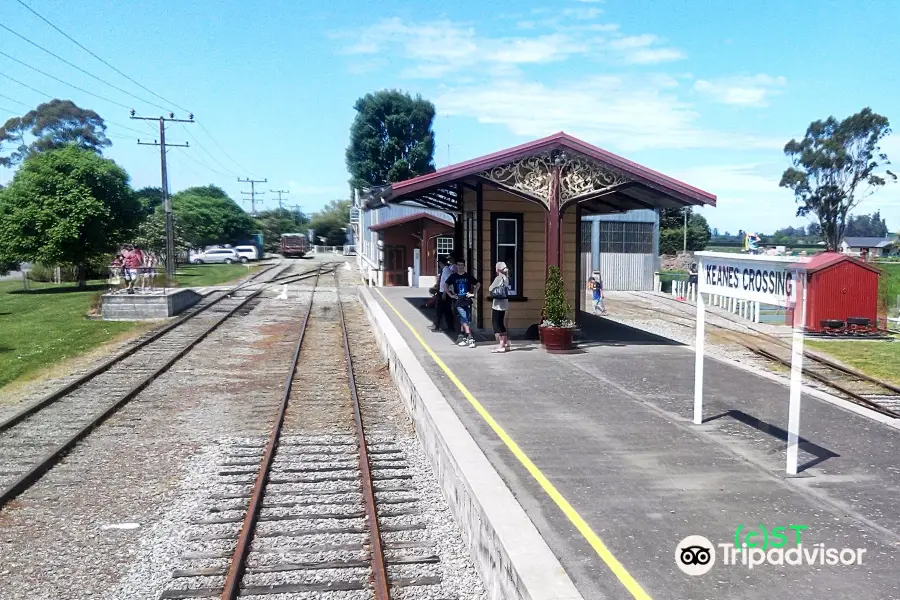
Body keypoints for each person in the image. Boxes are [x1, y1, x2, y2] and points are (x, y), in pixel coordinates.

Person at [445, 258, 480, 348]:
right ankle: (470, 338)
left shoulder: (468, 276)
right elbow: (445, 285)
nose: (460, 267)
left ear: (464, 266)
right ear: (456, 266)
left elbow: (478, 284)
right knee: (464, 318)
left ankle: (462, 337)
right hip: (458, 301)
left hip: (467, 300)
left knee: (464, 319)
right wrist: (450, 295)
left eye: (462, 265)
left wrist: (473, 293)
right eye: (459, 265)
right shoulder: (453, 276)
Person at [488, 261, 511, 353]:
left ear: (498, 269)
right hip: (504, 303)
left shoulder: (498, 278)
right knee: (501, 323)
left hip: (497, 304)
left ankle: (501, 344)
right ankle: (506, 343)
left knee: (495, 323)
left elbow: (490, 288)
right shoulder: (506, 278)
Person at [431, 255, 455, 333]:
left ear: (441, 263)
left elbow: (448, 283)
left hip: (444, 293)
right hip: (442, 292)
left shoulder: (446, 270)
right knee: (445, 310)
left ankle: (437, 326)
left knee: (440, 310)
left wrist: (445, 293)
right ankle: (441, 326)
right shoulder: (445, 270)